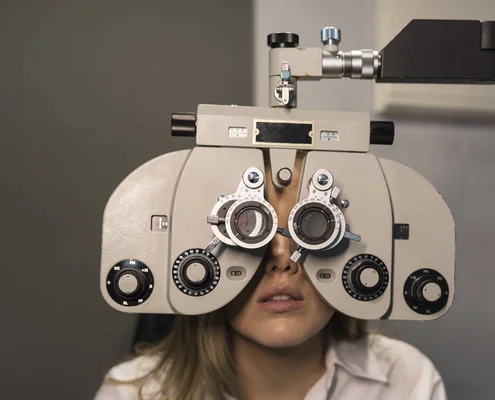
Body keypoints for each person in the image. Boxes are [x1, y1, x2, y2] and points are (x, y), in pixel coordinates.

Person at [94, 152, 447, 400]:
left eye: (311, 226)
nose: (281, 258)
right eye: (247, 227)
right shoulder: (132, 393)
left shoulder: (406, 379)